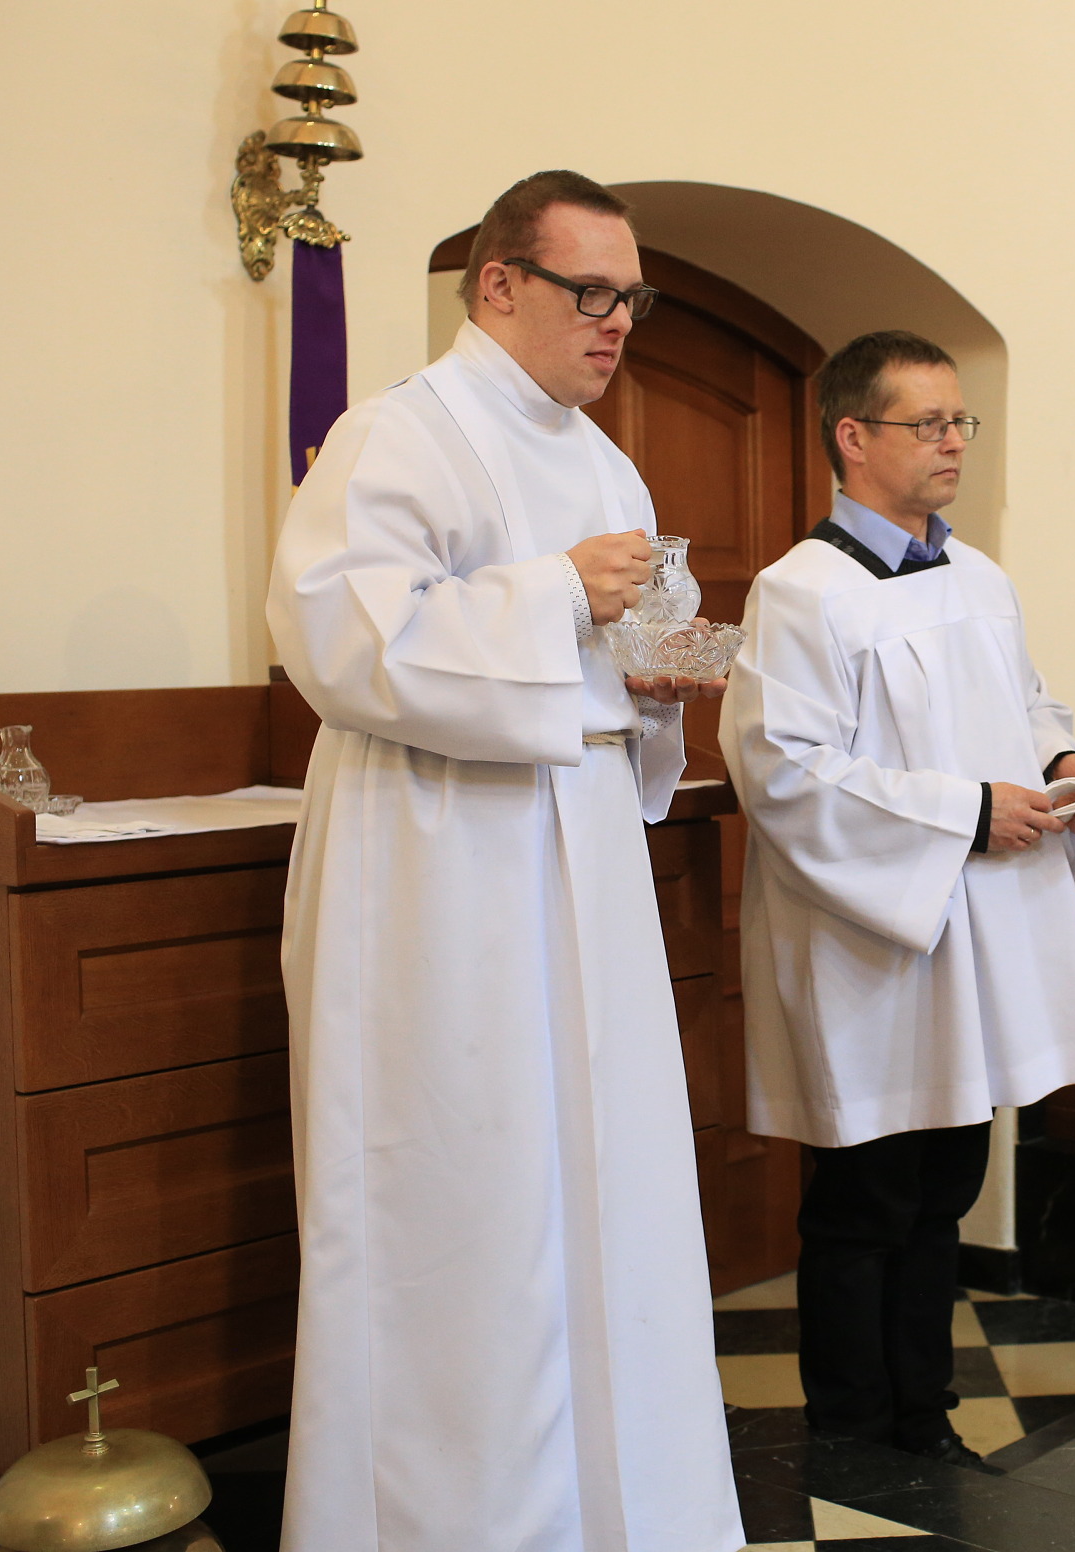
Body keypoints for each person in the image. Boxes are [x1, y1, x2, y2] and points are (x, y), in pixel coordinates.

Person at [267, 170, 742, 1551]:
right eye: (591, 292)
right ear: (498, 284)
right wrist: (553, 597)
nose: (617, 323)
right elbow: (337, 636)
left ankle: (625, 1513)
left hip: (581, 842)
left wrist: (653, 679)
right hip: (442, 861)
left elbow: (629, 637)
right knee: (467, 1199)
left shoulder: (605, 462)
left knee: (607, 1180)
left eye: (633, 299)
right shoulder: (399, 434)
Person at [719, 331, 1075, 1471]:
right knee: (867, 1196)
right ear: (853, 436)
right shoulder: (800, 592)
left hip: (973, 928)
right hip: (872, 940)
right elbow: (783, 771)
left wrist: (1064, 762)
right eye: (929, 424)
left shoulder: (980, 577)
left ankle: (924, 1416)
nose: (953, 443)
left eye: (960, 423)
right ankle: (854, 1433)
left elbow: (1026, 704)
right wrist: (965, 811)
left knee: (947, 1183)